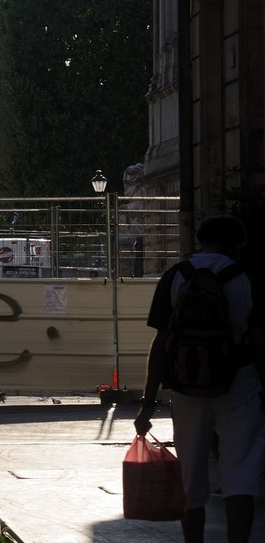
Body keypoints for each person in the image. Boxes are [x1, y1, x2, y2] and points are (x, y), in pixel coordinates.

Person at [134, 215, 263, 543]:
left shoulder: (176, 276)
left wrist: (148, 404)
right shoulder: (246, 278)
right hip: (240, 384)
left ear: (200, 240)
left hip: (187, 387)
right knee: (241, 478)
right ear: (238, 243)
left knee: (191, 482)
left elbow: (161, 344)